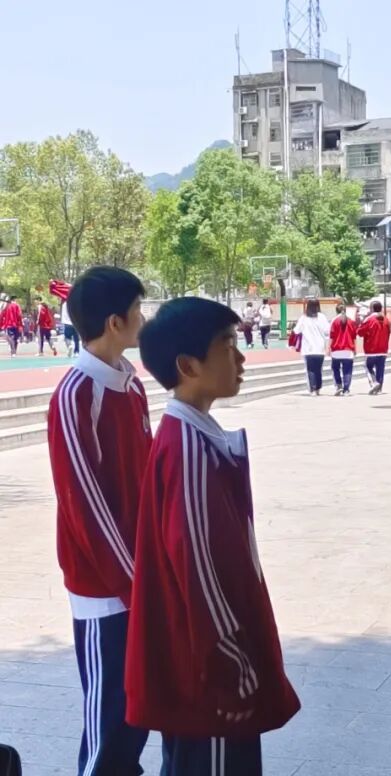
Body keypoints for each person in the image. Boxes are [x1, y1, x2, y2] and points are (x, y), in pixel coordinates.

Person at [127, 297, 301, 775]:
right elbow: (200, 570)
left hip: (202, 670)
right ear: (188, 365)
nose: (241, 358)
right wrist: (230, 665)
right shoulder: (188, 450)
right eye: (228, 345)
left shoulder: (195, 437)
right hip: (207, 680)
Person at [45, 266, 151, 775]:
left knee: (138, 715)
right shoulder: (75, 395)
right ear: (115, 322)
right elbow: (86, 506)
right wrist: (135, 582)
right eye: (137, 310)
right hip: (104, 589)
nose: (143, 318)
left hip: (143, 579)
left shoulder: (132, 387)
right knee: (108, 722)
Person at [292, 298, 330, 396]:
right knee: (318, 369)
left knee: (310, 369)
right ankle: (318, 388)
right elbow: (327, 330)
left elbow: (296, 330)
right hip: (320, 347)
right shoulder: (322, 317)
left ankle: (312, 389)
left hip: (308, 348)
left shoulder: (304, 318)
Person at [357, 300, 391, 395]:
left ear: (371, 309)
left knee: (368, 367)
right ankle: (379, 388)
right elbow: (389, 332)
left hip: (371, 349)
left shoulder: (369, 319)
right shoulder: (386, 320)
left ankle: (374, 383)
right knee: (380, 369)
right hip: (383, 349)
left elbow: (360, 332)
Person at [329, 303, 358, 396]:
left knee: (335, 369)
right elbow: (354, 337)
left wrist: (328, 348)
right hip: (348, 350)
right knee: (347, 371)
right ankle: (346, 390)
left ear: (336, 311)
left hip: (336, 350)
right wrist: (355, 349)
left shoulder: (334, 321)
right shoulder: (351, 322)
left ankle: (339, 385)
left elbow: (331, 336)